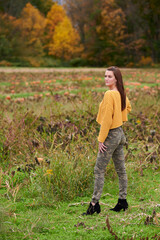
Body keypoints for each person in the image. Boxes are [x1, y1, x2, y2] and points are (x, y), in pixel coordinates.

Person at [83, 66, 131, 215]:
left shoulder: (109, 94)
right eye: (105, 76)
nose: (106, 79)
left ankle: (94, 204)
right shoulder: (120, 92)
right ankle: (122, 201)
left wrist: (101, 139)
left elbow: (106, 119)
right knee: (121, 169)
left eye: (110, 76)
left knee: (99, 170)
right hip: (120, 133)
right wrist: (119, 116)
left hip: (110, 134)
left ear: (116, 78)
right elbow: (128, 107)